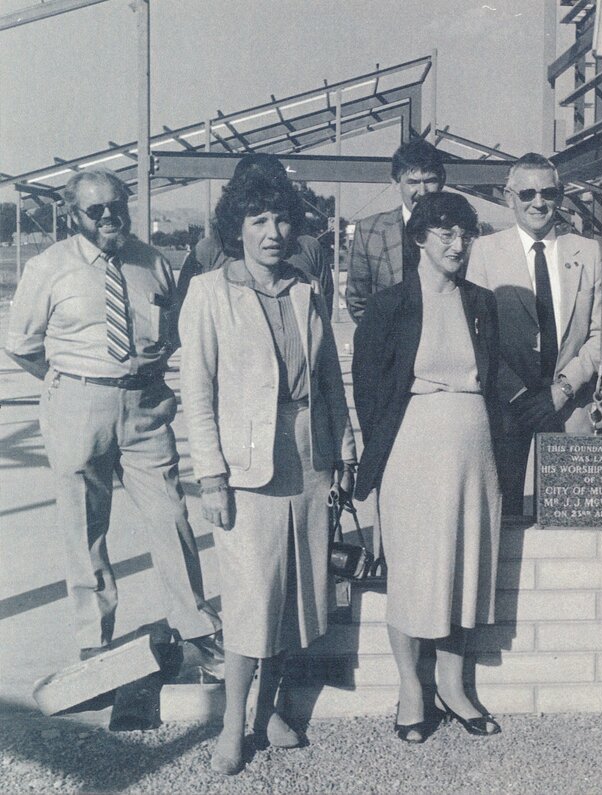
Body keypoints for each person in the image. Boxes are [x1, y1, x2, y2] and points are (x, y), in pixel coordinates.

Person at [5, 169, 223, 668]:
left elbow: (169, 332)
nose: (109, 217)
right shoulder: (48, 267)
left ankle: (194, 624)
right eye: (95, 210)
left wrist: (153, 382)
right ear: (72, 214)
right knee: (85, 526)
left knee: (171, 514)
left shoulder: (152, 262)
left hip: (145, 408)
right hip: (78, 404)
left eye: (116, 207)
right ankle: (94, 637)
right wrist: (70, 382)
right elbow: (21, 345)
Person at [179, 169, 356, 774]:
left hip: (307, 460)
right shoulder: (208, 292)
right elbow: (196, 394)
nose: (273, 232)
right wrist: (210, 477)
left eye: (282, 219)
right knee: (251, 595)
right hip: (243, 469)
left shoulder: (306, 289)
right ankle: (233, 725)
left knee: (291, 596)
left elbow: (329, 376)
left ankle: (268, 710)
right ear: (237, 228)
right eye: (258, 221)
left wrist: (343, 445)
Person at [353, 192, 502, 742]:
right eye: (444, 234)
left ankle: (454, 686)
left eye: (464, 234)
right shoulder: (389, 305)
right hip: (412, 453)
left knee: (462, 571)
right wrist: (371, 477)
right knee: (416, 574)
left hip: (474, 455)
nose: (457, 244)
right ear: (419, 238)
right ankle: (411, 690)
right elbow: (369, 395)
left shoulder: (483, 303)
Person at [466, 153, 602, 515]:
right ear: (508, 197)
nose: (539, 202)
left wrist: (563, 388)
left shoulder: (588, 252)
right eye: (528, 193)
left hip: (569, 406)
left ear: (560, 196)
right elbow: (476, 336)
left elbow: (600, 336)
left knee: (572, 520)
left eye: (548, 192)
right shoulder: (484, 252)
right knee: (506, 518)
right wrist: (517, 392)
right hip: (509, 409)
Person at [175, 153, 335, 313]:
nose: (273, 234)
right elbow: (183, 313)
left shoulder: (310, 249)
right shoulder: (208, 250)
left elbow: (322, 317)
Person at [345, 139, 446, 322]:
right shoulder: (369, 231)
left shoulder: (461, 233)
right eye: (413, 182)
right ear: (395, 183)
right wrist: (384, 342)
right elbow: (357, 301)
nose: (422, 192)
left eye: (430, 181)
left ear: (442, 181)